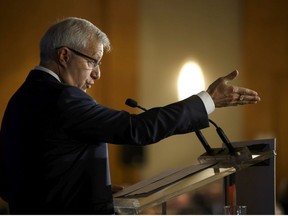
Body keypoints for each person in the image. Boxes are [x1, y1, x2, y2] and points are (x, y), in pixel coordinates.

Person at [0, 17, 260, 214]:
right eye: (93, 61)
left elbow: (15, 179)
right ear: (64, 55)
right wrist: (207, 101)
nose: (97, 74)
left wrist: (90, 192)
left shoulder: (19, 100)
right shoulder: (62, 98)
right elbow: (136, 129)